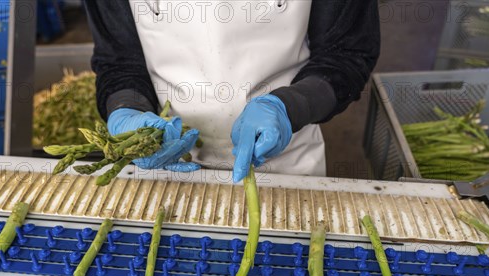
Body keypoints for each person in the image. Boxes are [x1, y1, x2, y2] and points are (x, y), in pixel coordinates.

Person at [84, 0, 380, 182]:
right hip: (167, 164)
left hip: (287, 165)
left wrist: (290, 106)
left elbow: (346, 53)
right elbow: (120, 61)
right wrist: (128, 110)